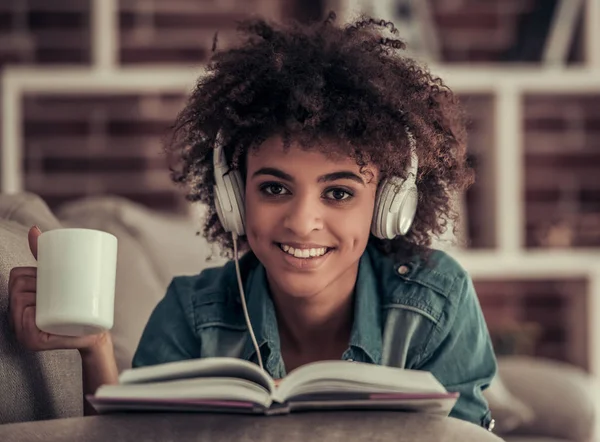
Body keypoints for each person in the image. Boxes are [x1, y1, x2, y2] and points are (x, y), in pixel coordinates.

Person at [8, 13, 497, 429]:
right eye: (275, 188)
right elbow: (134, 440)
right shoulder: (191, 313)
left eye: (339, 193)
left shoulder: (435, 300)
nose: (303, 222)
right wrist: (93, 348)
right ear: (232, 196)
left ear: (390, 204)